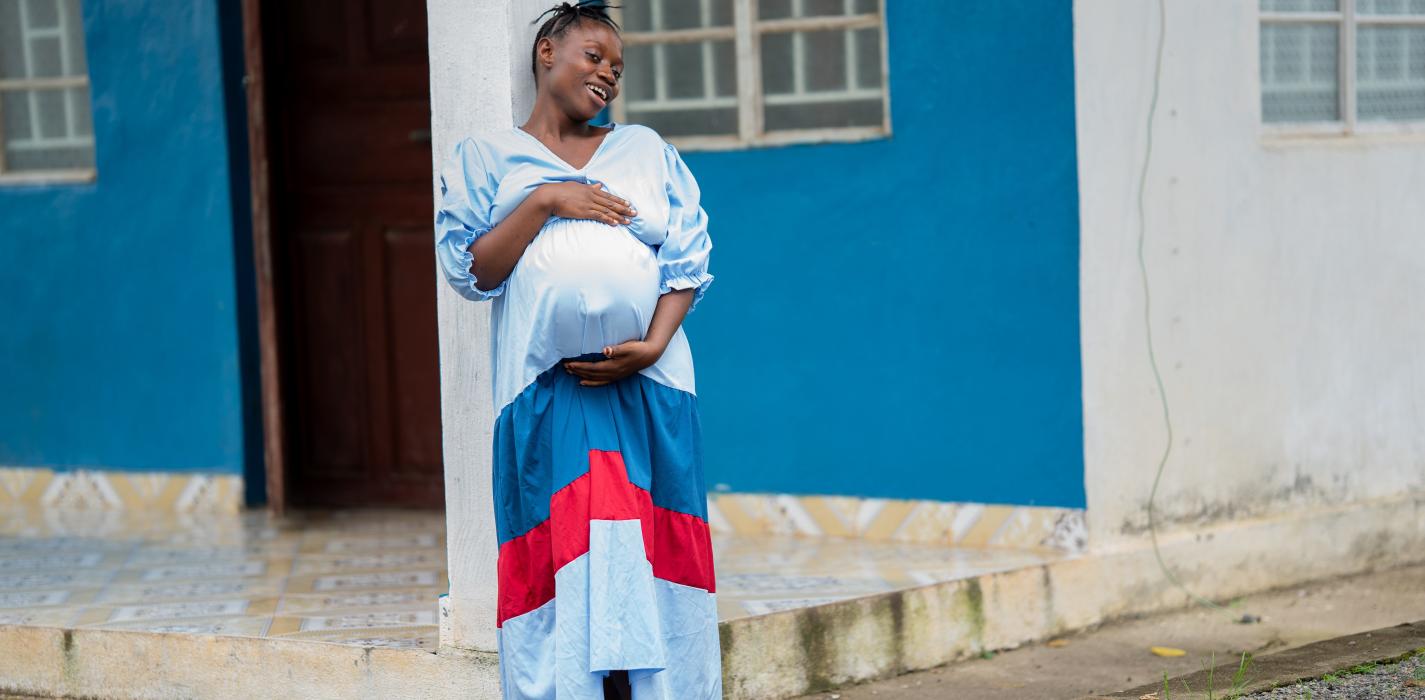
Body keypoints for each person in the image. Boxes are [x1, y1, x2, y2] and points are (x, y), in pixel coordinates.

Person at [434, 2, 720, 698]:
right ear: (545, 54)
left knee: (651, 565)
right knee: (564, 566)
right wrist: (546, 202)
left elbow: (687, 255)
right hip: (544, 393)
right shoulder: (487, 158)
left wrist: (651, 345)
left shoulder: (644, 150)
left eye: (616, 68)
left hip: (646, 390)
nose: (607, 74)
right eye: (594, 56)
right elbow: (471, 271)